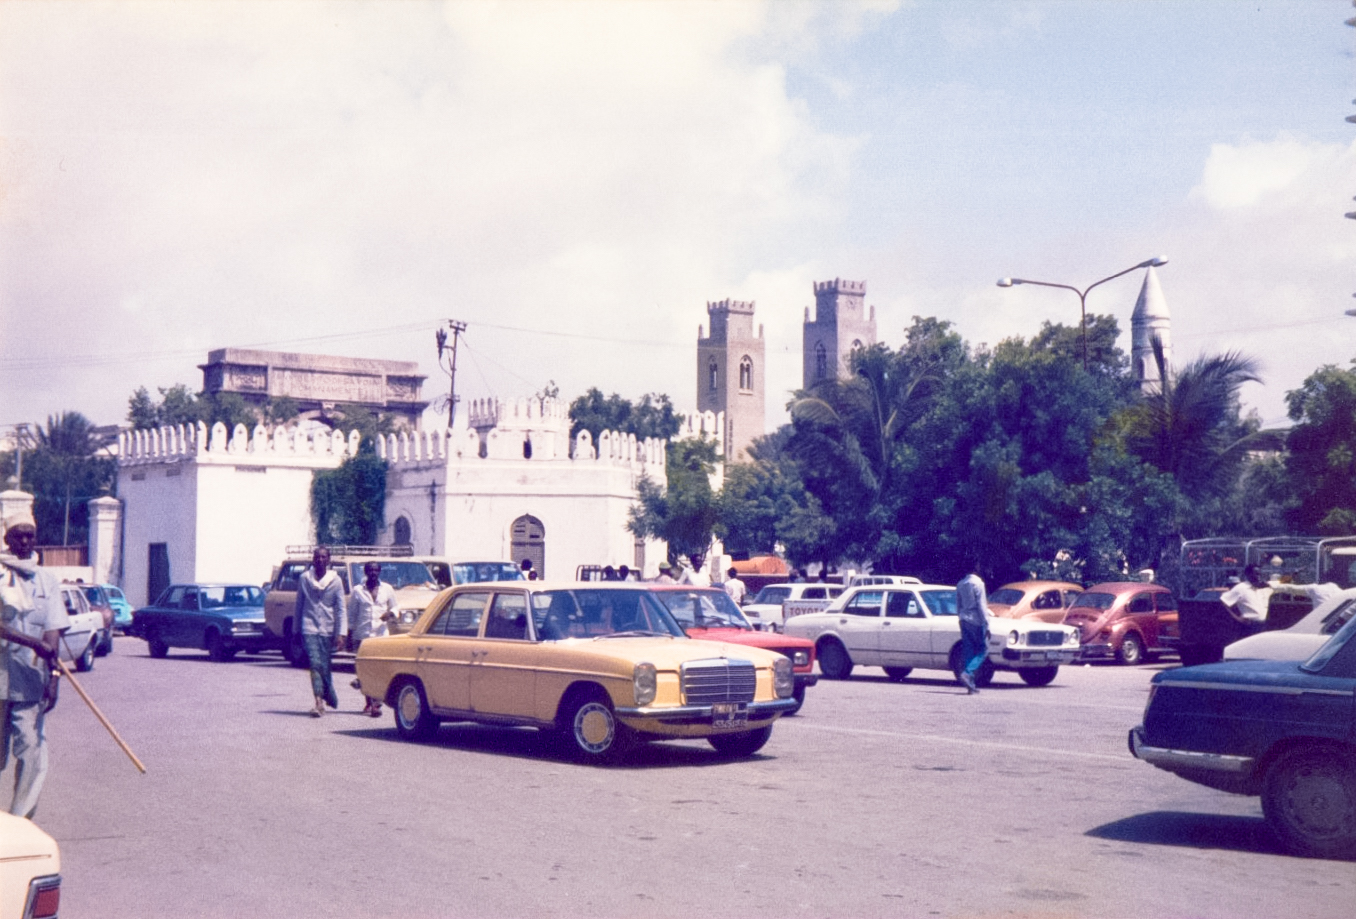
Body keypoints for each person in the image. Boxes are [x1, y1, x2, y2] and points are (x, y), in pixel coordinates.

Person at [0, 510, 68, 819]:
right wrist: (33, 643)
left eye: (30, 535)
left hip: (31, 683)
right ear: (7, 539)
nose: (25, 541)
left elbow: (52, 633)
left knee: (31, 751)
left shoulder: (47, 581)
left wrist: (53, 677)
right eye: (19, 535)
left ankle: (20, 820)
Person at [295, 547, 345, 717]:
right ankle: (318, 702)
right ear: (313, 559)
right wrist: (296, 630)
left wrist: (341, 633)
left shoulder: (336, 581)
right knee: (315, 663)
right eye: (317, 557)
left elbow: (340, 609)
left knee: (325, 665)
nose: (320, 560)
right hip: (308, 626)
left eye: (324, 557)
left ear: (329, 560)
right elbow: (299, 605)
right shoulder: (304, 578)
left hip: (327, 628)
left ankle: (329, 694)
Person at [347, 561, 396, 717]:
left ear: (380, 571)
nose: (373, 573)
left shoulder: (387, 589)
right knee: (366, 669)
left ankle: (376, 704)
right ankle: (369, 702)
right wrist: (349, 635)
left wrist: (390, 613)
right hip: (363, 636)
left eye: (376, 570)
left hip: (381, 636)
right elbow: (352, 614)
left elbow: (395, 607)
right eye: (370, 570)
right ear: (365, 572)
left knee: (379, 669)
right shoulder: (357, 590)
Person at [955, 564, 991, 695]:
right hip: (976, 619)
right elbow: (981, 605)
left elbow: (958, 605)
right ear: (976, 568)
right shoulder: (978, 583)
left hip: (964, 618)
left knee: (968, 650)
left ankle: (971, 685)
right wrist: (986, 623)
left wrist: (960, 618)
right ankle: (968, 673)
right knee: (983, 650)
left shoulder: (961, 584)